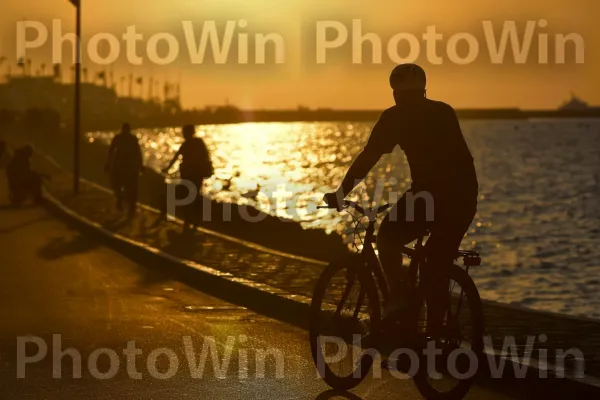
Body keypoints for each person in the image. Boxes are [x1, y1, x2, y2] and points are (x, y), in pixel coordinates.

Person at [323, 64, 478, 335]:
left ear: (395, 93)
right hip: (461, 195)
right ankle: (427, 330)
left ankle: (400, 299)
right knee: (434, 263)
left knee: (388, 238)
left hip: (434, 195)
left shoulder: (395, 117)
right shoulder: (443, 111)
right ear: (424, 90)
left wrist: (340, 194)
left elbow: (368, 158)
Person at [163, 125, 213, 233]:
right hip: (197, 175)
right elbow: (207, 156)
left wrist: (167, 169)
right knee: (194, 197)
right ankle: (193, 221)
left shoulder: (187, 144)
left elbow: (176, 157)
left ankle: (188, 222)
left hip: (189, 175)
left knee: (187, 198)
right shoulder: (199, 143)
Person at [105, 123, 144, 218]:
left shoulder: (128, 139)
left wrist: (140, 165)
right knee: (120, 185)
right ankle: (122, 201)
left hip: (128, 166)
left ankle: (129, 205)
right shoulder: (120, 138)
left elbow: (137, 152)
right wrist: (108, 163)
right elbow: (111, 150)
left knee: (129, 187)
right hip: (121, 166)